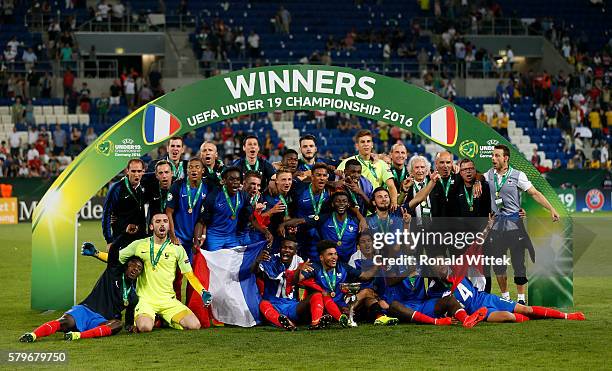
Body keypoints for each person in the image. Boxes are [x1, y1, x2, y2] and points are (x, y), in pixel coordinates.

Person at [19, 236, 144, 342]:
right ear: (126, 265)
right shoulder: (113, 272)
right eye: (133, 265)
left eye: (139, 269)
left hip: (100, 321)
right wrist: (125, 235)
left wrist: (130, 327)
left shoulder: (133, 296)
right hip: (84, 310)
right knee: (64, 322)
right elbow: (114, 251)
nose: (135, 270)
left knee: (117, 324)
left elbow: (128, 318)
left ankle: (77, 335)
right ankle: (33, 335)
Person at [484, 144, 560, 304]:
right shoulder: (487, 175)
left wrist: (551, 208)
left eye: (497, 156)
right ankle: (505, 297)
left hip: (514, 226)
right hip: (496, 227)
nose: (493, 158)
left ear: (506, 158)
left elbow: (535, 193)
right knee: (499, 264)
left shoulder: (518, 175)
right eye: (492, 155)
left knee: (518, 264)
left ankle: (521, 299)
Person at [118, 213, 212, 332]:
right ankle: (153, 319)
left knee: (194, 325)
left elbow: (189, 274)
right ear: (151, 226)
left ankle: (165, 320)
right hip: (146, 301)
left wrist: (202, 291)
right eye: (158, 222)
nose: (162, 224)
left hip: (168, 301)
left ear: (169, 226)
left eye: (165, 221)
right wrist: (96, 253)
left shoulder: (177, 248)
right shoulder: (139, 245)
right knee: (145, 328)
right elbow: (116, 258)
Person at [298, 240, 399, 327]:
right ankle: (337, 315)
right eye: (330, 254)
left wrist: (377, 264)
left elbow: (365, 276)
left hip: (343, 304)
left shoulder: (343, 267)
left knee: (367, 292)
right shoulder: (315, 267)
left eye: (335, 254)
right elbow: (300, 279)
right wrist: (300, 269)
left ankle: (379, 317)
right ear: (321, 257)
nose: (334, 257)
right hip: (324, 305)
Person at [429, 276, 585, 323]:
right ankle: (532, 319)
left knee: (526, 309)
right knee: (508, 316)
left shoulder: (457, 271)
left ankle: (568, 316)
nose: (443, 266)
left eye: (443, 262)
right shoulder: (434, 289)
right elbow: (438, 308)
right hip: (477, 311)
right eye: (438, 265)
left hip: (486, 299)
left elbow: (474, 247)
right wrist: (449, 317)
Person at [256, 239, 334, 330]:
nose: (287, 250)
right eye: (284, 247)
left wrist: (299, 270)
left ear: (295, 251)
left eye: (290, 248)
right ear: (280, 249)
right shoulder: (271, 260)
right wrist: (257, 260)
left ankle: (316, 323)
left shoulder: (298, 261)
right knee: (263, 304)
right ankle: (287, 324)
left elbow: (294, 281)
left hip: (292, 306)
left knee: (316, 295)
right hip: (274, 304)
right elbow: (255, 272)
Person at [194, 167, 272, 252]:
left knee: (235, 262)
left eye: (238, 179)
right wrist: (196, 241)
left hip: (231, 237)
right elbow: (201, 221)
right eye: (231, 179)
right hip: (214, 237)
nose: (235, 182)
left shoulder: (243, 196)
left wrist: (266, 231)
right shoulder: (214, 196)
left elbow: (252, 218)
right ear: (224, 181)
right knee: (214, 263)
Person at [337, 130, 398, 210]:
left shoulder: (382, 164)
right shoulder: (347, 163)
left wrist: (394, 202)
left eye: (368, 141)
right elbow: (338, 184)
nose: (366, 144)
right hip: (355, 207)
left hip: (375, 208)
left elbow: (391, 186)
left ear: (372, 145)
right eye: (362, 142)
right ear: (357, 145)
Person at [102, 159, 148, 250]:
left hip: (140, 238)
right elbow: (107, 213)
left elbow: (158, 174)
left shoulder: (145, 185)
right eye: (133, 171)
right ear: (127, 171)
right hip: (121, 238)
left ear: (143, 172)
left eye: (139, 171)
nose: (136, 174)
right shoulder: (116, 188)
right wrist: (109, 240)